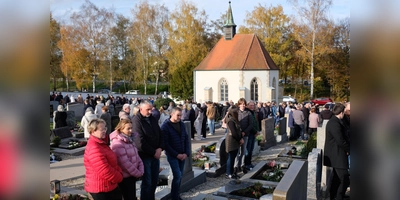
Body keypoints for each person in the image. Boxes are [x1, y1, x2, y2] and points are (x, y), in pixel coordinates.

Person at [132, 102, 164, 200]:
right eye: (148, 110)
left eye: (151, 109)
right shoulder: (136, 121)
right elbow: (139, 142)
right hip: (145, 156)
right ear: (141, 109)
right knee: (147, 182)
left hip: (155, 155)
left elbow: (160, 134)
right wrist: (154, 152)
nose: (150, 112)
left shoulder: (152, 119)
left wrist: (160, 148)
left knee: (154, 181)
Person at [84, 119, 123, 200]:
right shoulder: (94, 147)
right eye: (102, 129)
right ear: (93, 131)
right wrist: (119, 176)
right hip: (100, 188)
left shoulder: (101, 143)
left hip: (108, 185)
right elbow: (104, 170)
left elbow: (112, 162)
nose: (105, 131)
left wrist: (119, 171)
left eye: (105, 128)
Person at [110, 119, 144, 200]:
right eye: (128, 128)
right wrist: (138, 173)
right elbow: (125, 164)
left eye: (131, 128)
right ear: (121, 129)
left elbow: (137, 156)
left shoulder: (129, 140)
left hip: (132, 175)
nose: (131, 130)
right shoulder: (118, 143)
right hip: (125, 177)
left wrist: (141, 169)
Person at [161, 107, 190, 200]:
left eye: (180, 115)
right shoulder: (165, 126)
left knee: (180, 176)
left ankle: (176, 194)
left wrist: (186, 153)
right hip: (173, 155)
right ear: (171, 114)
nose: (180, 117)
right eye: (178, 115)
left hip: (182, 154)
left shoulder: (181, 124)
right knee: (177, 175)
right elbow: (166, 144)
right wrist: (176, 154)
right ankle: (174, 197)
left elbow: (186, 139)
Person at [324, 103, 350, 200]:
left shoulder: (336, 121)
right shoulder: (334, 123)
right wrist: (349, 150)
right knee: (344, 178)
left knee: (337, 178)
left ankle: (335, 196)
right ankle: (338, 196)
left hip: (337, 153)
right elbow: (340, 140)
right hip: (336, 154)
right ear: (341, 112)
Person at [234, 98, 253, 175]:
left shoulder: (248, 113)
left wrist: (245, 132)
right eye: (241, 104)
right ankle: (236, 166)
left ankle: (242, 165)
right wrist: (239, 132)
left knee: (243, 151)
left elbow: (250, 124)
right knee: (237, 151)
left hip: (245, 134)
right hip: (238, 135)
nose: (243, 105)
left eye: (244, 104)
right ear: (239, 105)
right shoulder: (236, 112)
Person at [225, 105, 243, 179]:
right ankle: (229, 173)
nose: (238, 113)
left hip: (235, 140)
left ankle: (232, 172)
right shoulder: (230, 120)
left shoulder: (233, 119)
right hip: (232, 140)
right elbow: (234, 132)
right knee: (231, 157)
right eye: (237, 112)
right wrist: (240, 139)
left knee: (233, 157)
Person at [244, 101, 259, 171]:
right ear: (247, 106)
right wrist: (255, 131)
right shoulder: (248, 112)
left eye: (253, 105)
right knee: (248, 149)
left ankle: (249, 163)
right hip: (249, 133)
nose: (252, 106)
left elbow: (255, 122)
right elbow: (250, 125)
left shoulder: (253, 112)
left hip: (253, 133)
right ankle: (246, 164)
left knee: (251, 149)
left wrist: (257, 131)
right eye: (251, 105)